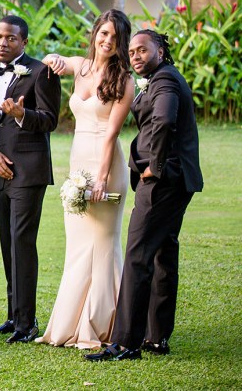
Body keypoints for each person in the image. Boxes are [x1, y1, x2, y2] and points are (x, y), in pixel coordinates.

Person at [86, 30, 203, 361]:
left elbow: (164, 120)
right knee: (163, 254)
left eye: (143, 50)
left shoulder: (164, 81)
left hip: (163, 183)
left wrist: (156, 165)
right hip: (178, 182)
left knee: (138, 257)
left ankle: (126, 342)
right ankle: (156, 336)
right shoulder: (165, 77)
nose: (136, 55)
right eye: (132, 51)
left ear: (161, 50)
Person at [36, 10, 134, 349]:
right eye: (103, 33)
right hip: (78, 161)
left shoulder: (124, 80)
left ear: (121, 43)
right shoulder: (82, 66)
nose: (107, 41)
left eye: (114, 37)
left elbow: (112, 132)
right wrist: (54, 60)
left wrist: (103, 177)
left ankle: (106, 323)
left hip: (106, 164)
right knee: (77, 244)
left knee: (104, 244)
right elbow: (54, 58)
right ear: (95, 33)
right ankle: (68, 324)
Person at [0, 15, 61, 344]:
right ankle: (13, 316)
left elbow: (51, 120)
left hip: (29, 170)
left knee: (22, 243)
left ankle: (28, 323)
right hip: (0, 171)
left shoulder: (41, 72)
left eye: (11, 38)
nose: (2, 42)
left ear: (24, 42)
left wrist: (22, 114)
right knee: (7, 243)